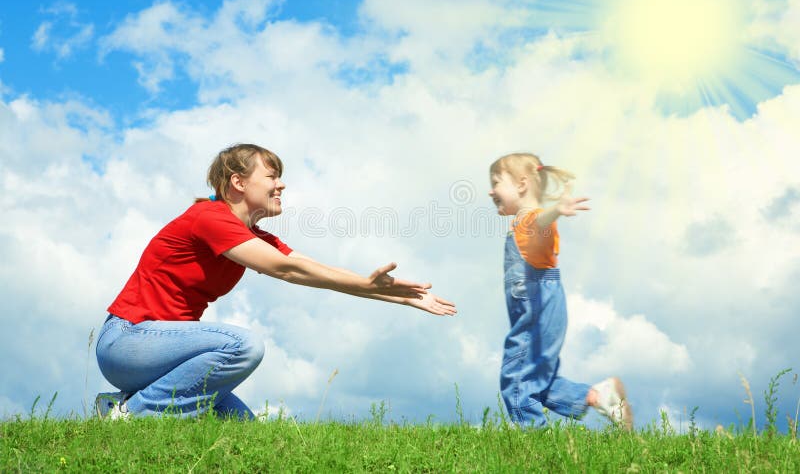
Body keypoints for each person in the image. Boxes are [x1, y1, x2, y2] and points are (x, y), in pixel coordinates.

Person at [95, 143, 456, 420]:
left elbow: (309, 268)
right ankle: (128, 415)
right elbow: (286, 270)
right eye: (271, 176)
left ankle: (121, 404)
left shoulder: (256, 237)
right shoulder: (208, 217)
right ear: (238, 182)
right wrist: (369, 285)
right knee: (243, 346)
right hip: (129, 341)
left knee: (241, 431)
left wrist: (395, 295)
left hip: (170, 360)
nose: (281, 184)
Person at [488, 152, 632, 429]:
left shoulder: (529, 220)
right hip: (546, 311)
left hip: (537, 314)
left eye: (496, 182)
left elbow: (538, 224)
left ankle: (531, 441)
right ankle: (600, 396)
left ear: (521, 184)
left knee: (516, 376)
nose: (490, 190)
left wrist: (555, 210)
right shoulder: (527, 222)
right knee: (537, 381)